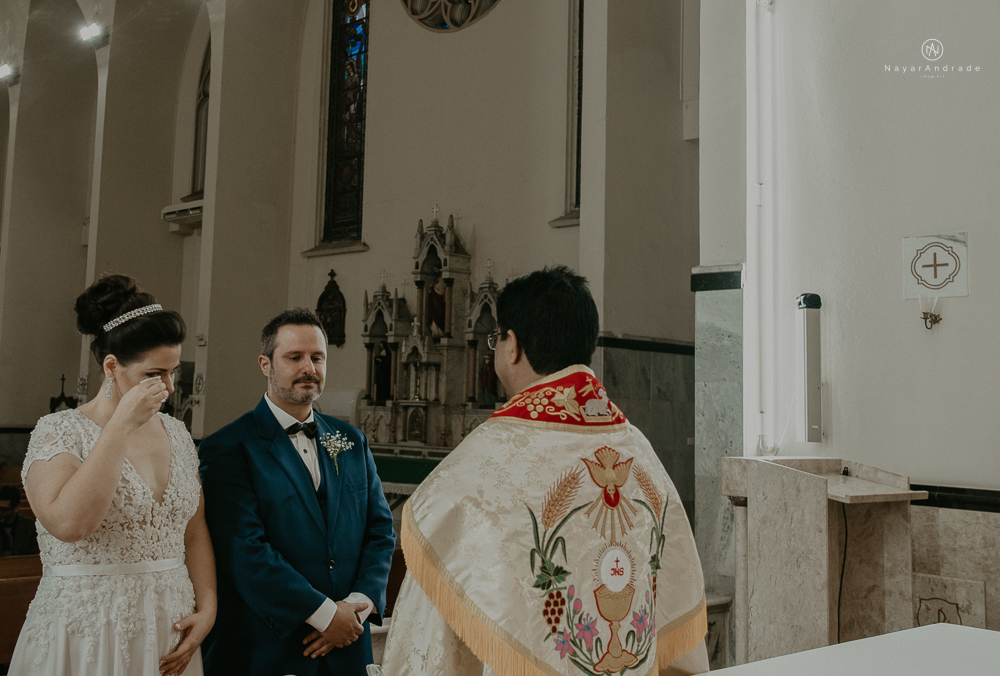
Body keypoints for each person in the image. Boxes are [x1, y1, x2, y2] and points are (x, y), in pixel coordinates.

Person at [382, 267, 709, 676]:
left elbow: (433, 625)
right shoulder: (637, 448)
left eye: (496, 337)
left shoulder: (485, 459)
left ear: (512, 345)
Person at [9, 274, 217, 676]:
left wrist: (207, 608)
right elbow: (70, 524)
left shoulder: (176, 433)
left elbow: (194, 530)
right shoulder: (59, 432)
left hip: (169, 630)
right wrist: (120, 426)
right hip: (89, 632)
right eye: (155, 374)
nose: (169, 387)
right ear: (111, 367)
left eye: (174, 372)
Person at [198, 309, 395, 676]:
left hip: (347, 646)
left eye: (317, 357)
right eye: (294, 357)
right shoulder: (228, 448)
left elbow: (380, 530)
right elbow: (244, 551)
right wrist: (323, 615)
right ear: (265, 364)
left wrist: (355, 607)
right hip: (270, 648)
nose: (309, 367)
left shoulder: (351, 440)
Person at [0, 485, 38, 556]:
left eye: (4, 510)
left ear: (16, 508)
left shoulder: (30, 526)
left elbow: (34, 555)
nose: (0, 513)